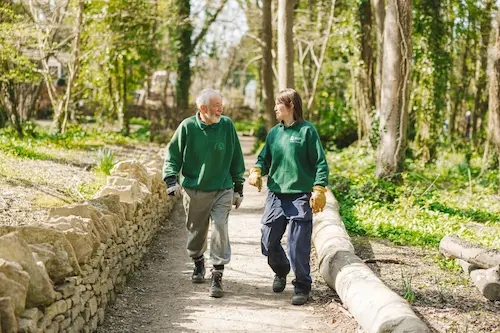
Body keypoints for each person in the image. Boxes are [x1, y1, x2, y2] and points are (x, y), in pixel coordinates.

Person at [247, 88, 329, 305]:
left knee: (297, 245)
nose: (275, 108)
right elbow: (264, 158)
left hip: (300, 196)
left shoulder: (307, 132)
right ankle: (281, 270)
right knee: (268, 238)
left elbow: (320, 162)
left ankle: (302, 286)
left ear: (291, 105)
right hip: (276, 195)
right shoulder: (274, 133)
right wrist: (256, 170)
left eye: (278, 104)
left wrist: (319, 188)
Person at [163, 88, 245, 298]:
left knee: (220, 227)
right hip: (195, 189)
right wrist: (171, 179)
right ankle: (198, 261)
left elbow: (236, 156)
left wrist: (238, 187)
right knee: (196, 231)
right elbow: (172, 156)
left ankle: (217, 274)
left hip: (222, 189)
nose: (221, 109)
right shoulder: (188, 127)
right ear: (203, 109)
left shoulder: (226, 125)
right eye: (216, 106)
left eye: (221, 105)